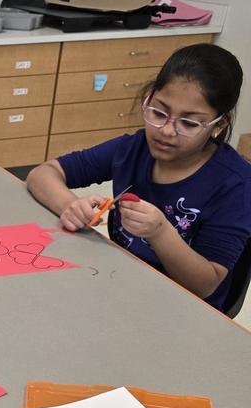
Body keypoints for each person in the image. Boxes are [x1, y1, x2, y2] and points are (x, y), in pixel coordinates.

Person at [26, 43, 251, 310]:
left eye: (189, 123)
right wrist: (70, 206)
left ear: (218, 126)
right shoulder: (134, 148)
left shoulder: (237, 185)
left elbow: (205, 285)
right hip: (121, 282)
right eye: (159, 112)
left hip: (184, 310)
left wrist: (160, 232)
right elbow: (43, 174)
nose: (167, 131)